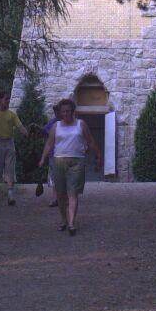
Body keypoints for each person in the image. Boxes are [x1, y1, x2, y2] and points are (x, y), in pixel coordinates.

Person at [39, 98, 101, 235]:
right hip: (59, 161)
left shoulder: (81, 124)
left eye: (68, 111)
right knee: (61, 195)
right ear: (60, 113)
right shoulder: (56, 126)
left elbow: (90, 140)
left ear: (73, 112)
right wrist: (43, 158)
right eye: (63, 112)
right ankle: (63, 220)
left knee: (73, 193)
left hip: (77, 162)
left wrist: (98, 155)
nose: (66, 114)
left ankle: (71, 223)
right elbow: (49, 143)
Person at [0, 91, 28, 205]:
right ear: (0, 100)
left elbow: (20, 126)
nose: (8, 101)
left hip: (9, 143)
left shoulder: (12, 114)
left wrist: (26, 133)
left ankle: (10, 194)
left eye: (9, 99)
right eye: (6, 99)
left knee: (10, 168)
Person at [42, 105, 60, 207]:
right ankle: (55, 198)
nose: (57, 114)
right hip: (53, 153)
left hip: (64, 154)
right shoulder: (52, 122)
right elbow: (44, 131)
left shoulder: (66, 123)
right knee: (54, 177)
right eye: (55, 112)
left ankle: (62, 198)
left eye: (58, 111)